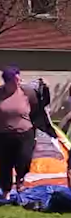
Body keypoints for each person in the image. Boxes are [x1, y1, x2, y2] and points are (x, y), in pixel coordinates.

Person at [0, 66, 36, 199]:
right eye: (15, 79)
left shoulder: (27, 92)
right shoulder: (0, 93)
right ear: (8, 81)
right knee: (5, 163)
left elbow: (36, 109)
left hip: (25, 133)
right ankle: (6, 190)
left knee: (24, 158)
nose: (18, 81)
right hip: (4, 134)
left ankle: (20, 179)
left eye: (18, 78)